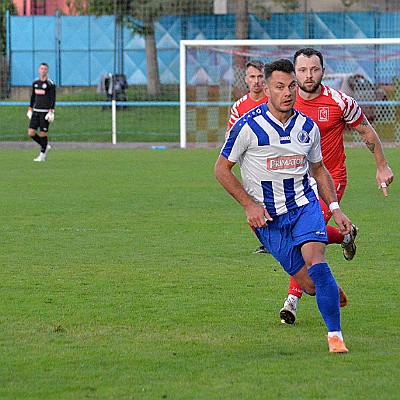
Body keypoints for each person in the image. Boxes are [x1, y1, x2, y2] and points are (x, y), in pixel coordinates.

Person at [215, 58, 351, 353]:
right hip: (268, 220)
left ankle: (335, 337)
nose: (288, 92)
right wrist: (249, 205)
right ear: (266, 88)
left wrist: (335, 207)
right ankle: (326, 288)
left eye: (291, 86)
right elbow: (221, 170)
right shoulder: (248, 127)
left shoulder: (307, 127)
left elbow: (319, 170)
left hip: (304, 206)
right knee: (312, 285)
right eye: (280, 87)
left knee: (317, 262)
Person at [279, 48, 395, 325]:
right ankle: (345, 236)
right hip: (295, 182)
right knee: (297, 235)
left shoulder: (340, 102)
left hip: (330, 180)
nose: (309, 75)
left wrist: (382, 166)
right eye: (303, 70)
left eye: (314, 69)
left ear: (323, 70)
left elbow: (367, 131)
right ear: (295, 72)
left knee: (307, 238)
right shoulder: (285, 101)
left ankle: (291, 301)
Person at [226, 60, 268, 134]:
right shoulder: (238, 106)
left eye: (260, 76)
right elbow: (230, 134)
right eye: (252, 77)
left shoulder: (274, 102)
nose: (256, 81)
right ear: (246, 79)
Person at [27, 63, 56, 162]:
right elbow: (33, 97)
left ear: (47, 71)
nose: (43, 70)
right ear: (39, 70)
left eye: (45, 69)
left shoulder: (50, 84)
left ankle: (42, 154)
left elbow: (53, 98)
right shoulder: (35, 83)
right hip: (36, 111)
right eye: (41, 68)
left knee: (43, 133)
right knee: (31, 133)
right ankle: (45, 146)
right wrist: (30, 108)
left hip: (45, 112)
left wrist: (51, 111)